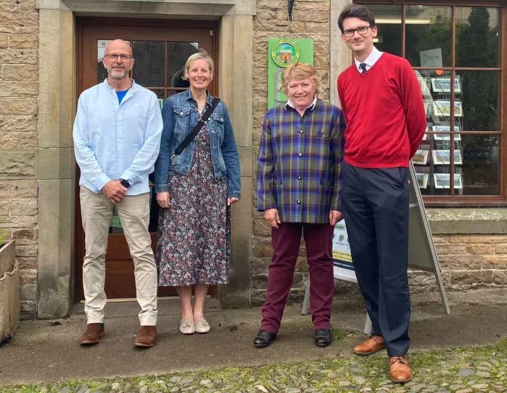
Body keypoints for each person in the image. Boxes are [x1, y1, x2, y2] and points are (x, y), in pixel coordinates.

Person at [336, 4, 426, 384]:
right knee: (364, 260)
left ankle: (398, 349)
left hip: (387, 174)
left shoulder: (398, 67)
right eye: (348, 31)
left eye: (361, 29)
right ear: (343, 37)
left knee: (391, 266)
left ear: (374, 31)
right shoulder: (344, 78)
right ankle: (378, 330)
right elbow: (353, 123)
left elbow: (416, 119)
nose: (355, 35)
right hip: (354, 174)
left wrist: (396, 159)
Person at [73, 39, 163, 349]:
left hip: (134, 188)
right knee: (93, 254)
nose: (118, 60)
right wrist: (103, 182)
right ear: (104, 60)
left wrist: (124, 179)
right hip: (95, 189)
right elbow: (80, 145)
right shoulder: (88, 98)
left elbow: (152, 144)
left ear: (132, 62)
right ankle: (94, 320)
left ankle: (148, 321)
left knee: (142, 254)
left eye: (124, 56)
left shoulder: (148, 100)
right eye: (113, 55)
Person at [254, 63, 345, 349]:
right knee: (281, 264)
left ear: (314, 84)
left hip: (321, 204)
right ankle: (269, 325)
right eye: (293, 85)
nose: (299, 90)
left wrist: (338, 203)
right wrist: (268, 204)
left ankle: (322, 323)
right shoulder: (273, 118)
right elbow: (265, 164)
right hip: (284, 205)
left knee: (321, 264)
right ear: (286, 89)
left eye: (304, 84)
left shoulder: (333, 117)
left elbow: (341, 164)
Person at [153, 52, 240, 335]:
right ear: (187, 73)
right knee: (182, 248)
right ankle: (185, 311)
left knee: (208, 248)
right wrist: (162, 186)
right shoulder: (173, 104)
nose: (200, 74)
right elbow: (164, 147)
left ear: (211, 75)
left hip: (213, 184)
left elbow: (229, 149)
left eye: (205, 70)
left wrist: (233, 186)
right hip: (181, 184)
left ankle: (200, 310)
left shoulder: (220, 108)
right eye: (195, 70)